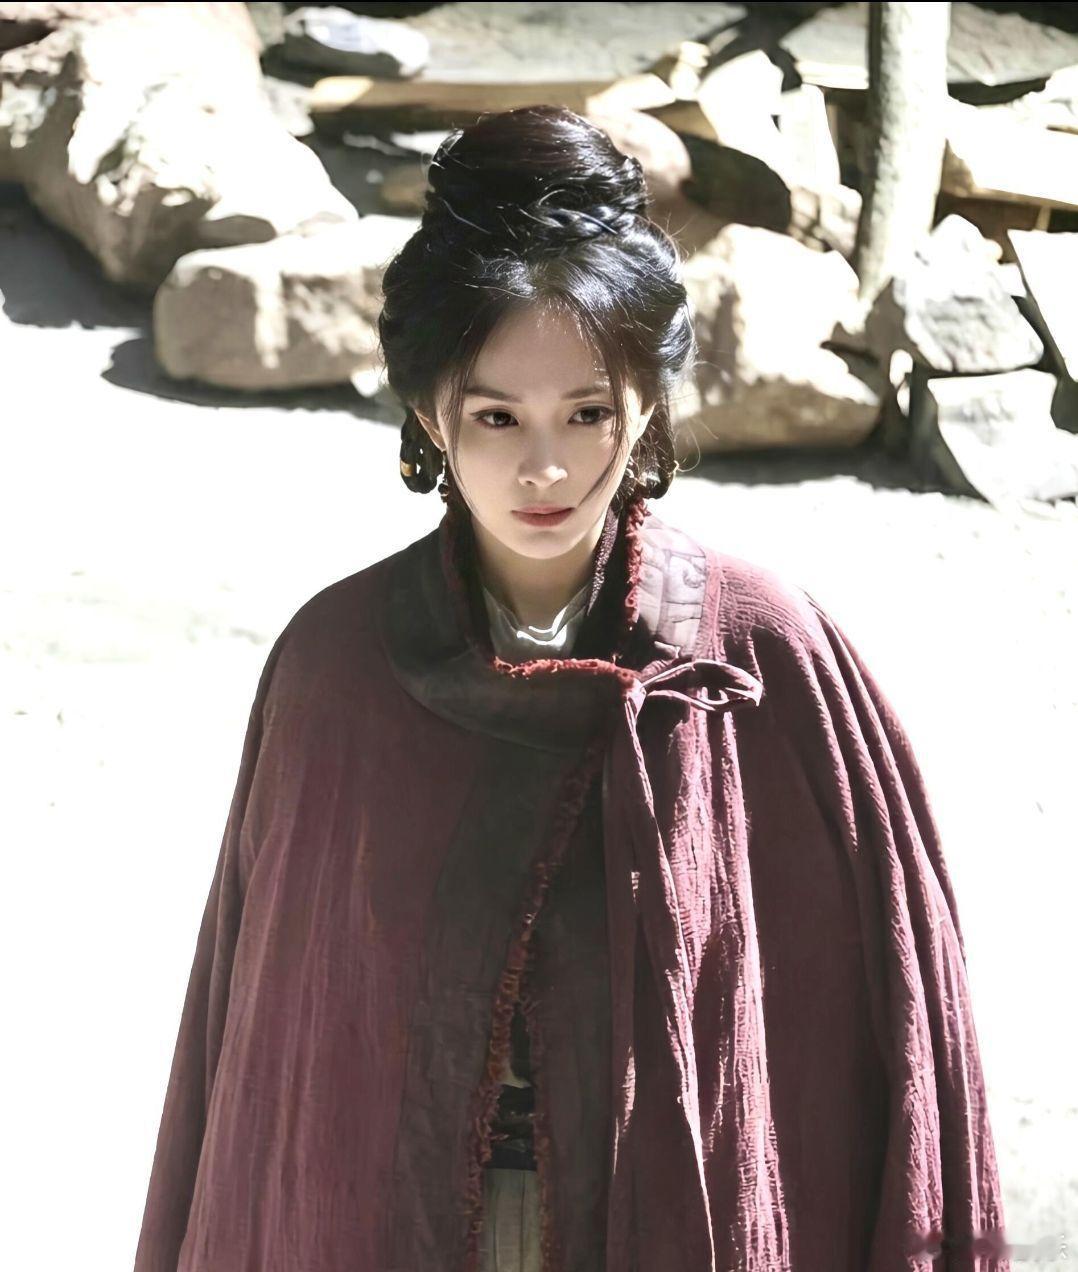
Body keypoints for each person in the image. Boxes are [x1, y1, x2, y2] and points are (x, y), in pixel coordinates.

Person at [132, 106, 1010, 1271]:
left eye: (587, 413)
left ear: (645, 408)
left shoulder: (761, 659)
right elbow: (268, 1072)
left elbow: (896, 1030)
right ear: (427, 411)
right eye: (496, 416)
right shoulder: (337, 667)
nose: (542, 467)